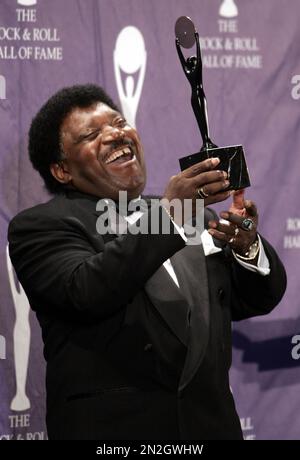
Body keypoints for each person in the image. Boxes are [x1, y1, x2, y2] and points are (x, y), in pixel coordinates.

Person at [8, 84, 286, 440]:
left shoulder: (194, 216)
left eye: (119, 122)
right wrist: (169, 215)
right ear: (63, 170)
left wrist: (247, 249)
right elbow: (86, 291)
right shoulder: (40, 226)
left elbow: (252, 300)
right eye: (92, 134)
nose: (115, 134)